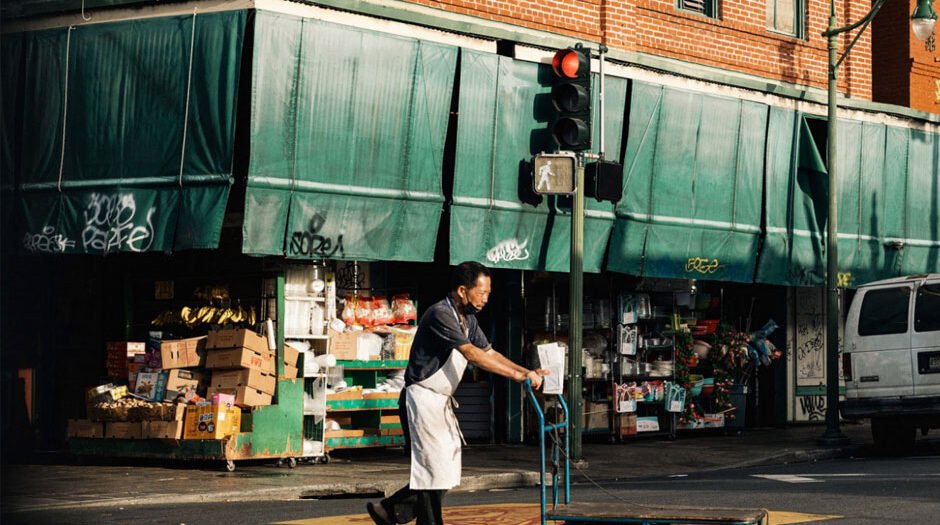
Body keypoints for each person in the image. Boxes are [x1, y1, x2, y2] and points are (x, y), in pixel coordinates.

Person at [366, 261, 548, 525]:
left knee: (446, 470)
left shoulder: (468, 321)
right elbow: (472, 354)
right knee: (432, 470)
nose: (486, 299)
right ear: (463, 291)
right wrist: (519, 377)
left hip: (440, 402)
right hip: (422, 398)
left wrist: (526, 371)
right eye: (482, 292)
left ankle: (390, 509)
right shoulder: (441, 314)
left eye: (488, 293)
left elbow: (489, 352)